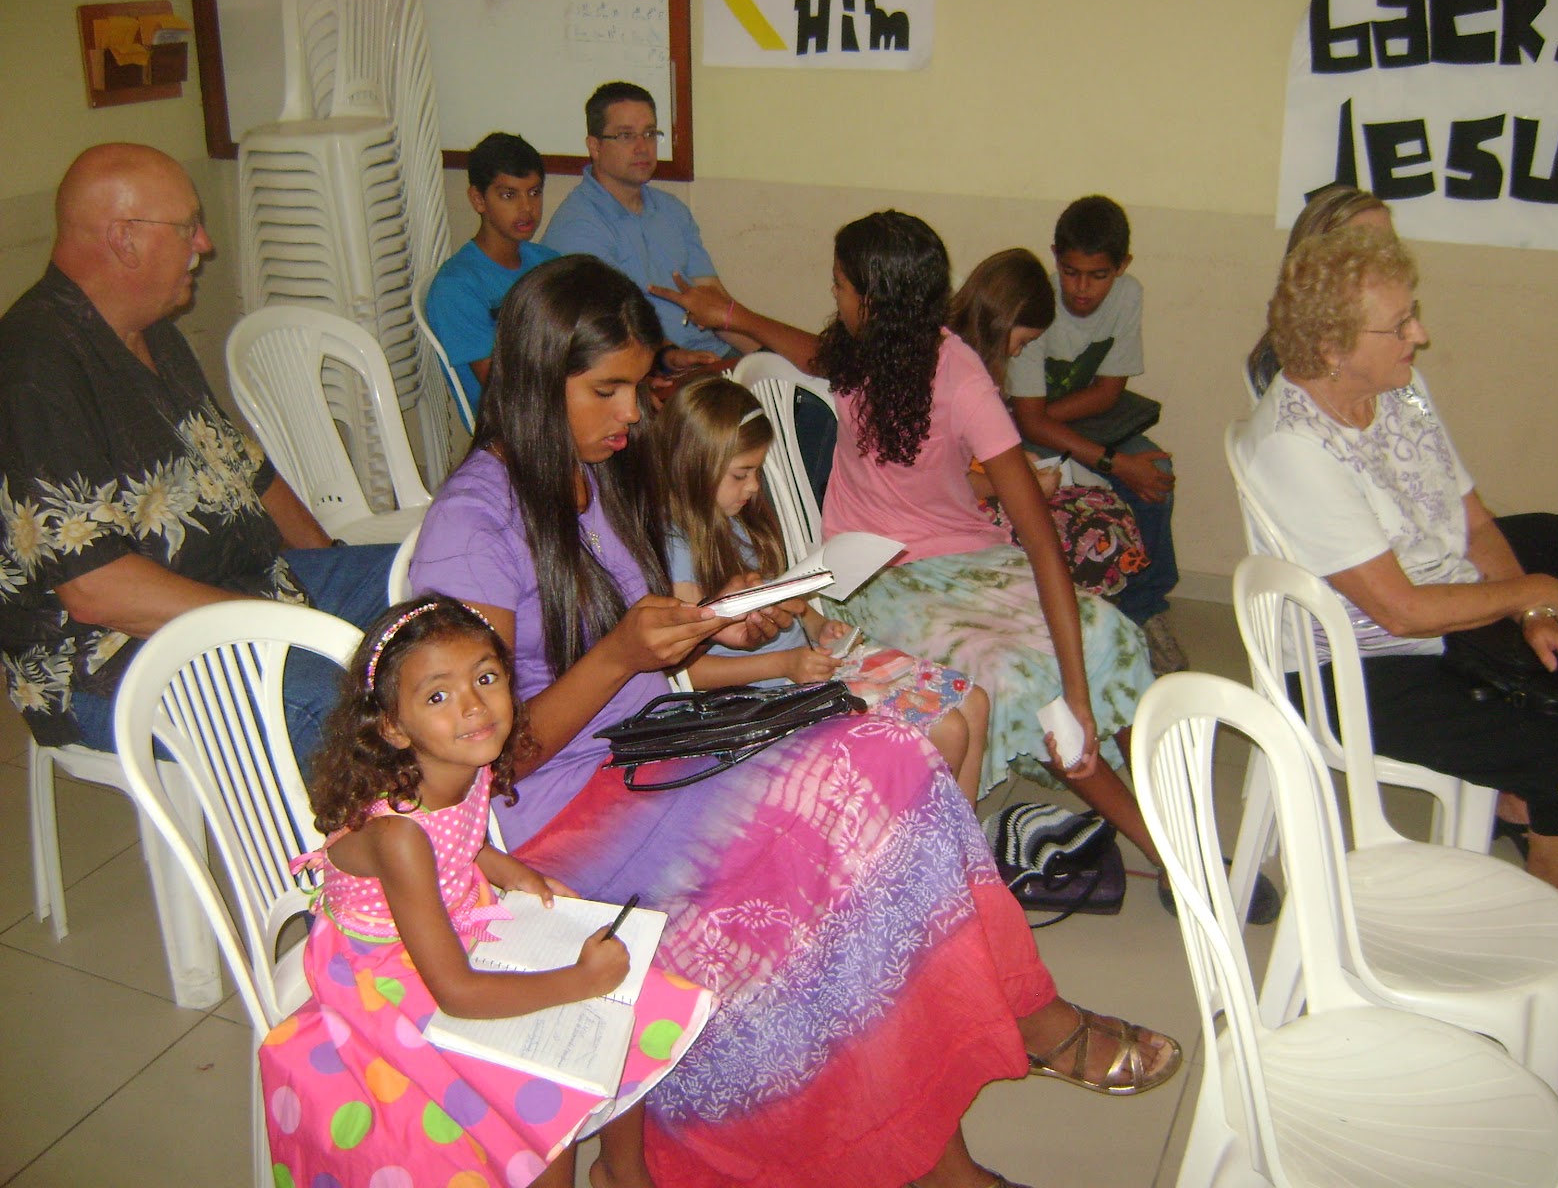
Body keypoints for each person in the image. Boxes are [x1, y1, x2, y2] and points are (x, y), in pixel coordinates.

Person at [407, 254, 1181, 1188]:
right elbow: (481, 758)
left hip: (654, 749)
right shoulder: (471, 527)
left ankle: (998, 1045)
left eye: (638, 387)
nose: (632, 414)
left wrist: (716, 622)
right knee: (839, 862)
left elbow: (639, 635)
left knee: (893, 762)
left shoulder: (589, 474)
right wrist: (623, 655)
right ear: (536, 379)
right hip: (562, 811)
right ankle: (951, 1138)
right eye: (606, 390)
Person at [649, 213, 1248, 917]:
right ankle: (1172, 858)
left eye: (840, 285)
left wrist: (1080, 696)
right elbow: (811, 354)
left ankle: (1177, 825)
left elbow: (1040, 540)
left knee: (1107, 636)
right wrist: (731, 314)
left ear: (874, 300)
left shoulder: (961, 377)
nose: (834, 295)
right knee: (1016, 674)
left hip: (972, 558)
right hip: (874, 576)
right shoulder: (863, 350)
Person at [258, 594, 714, 1187]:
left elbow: (458, 839)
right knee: (537, 1085)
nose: (473, 706)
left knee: (626, 1007)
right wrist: (580, 980)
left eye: (486, 678)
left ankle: (622, 1171)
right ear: (392, 727)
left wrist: (504, 868)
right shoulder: (398, 837)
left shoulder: (465, 759)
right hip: (389, 972)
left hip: (455, 914)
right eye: (438, 696)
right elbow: (457, 993)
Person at [1235, 227, 1558, 937]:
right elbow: (1400, 612)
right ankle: (1530, 945)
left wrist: (1533, 614)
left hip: (1435, 604)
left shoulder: (1402, 391)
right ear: (1333, 347)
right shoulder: (1293, 447)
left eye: (1413, 316)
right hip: (1359, 667)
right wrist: (1530, 594)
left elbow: (1472, 517)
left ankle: (1530, 813)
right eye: (1399, 325)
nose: (1420, 336)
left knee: (1554, 541)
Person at [0, 143, 393, 761]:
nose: (204, 245)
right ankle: (398, 822)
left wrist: (329, 575)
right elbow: (97, 591)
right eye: (188, 226)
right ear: (125, 239)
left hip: (245, 589)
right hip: (110, 658)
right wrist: (296, 628)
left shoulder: (153, 333)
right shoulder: (34, 366)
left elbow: (249, 473)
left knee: (443, 578)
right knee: (340, 709)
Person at [654, 371, 992, 800]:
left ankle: (966, 840)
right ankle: (925, 836)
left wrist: (814, 623)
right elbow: (687, 671)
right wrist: (783, 665)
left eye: (756, 471)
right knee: (948, 729)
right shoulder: (676, 552)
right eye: (741, 474)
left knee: (974, 702)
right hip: (769, 695)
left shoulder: (733, 518)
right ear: (693, 464)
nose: (754, 486)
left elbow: (779, 594)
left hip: (806, 664)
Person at [1004, 196, 1185, 672]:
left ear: (1122, 266)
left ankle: (1145, 606)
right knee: (1103, 481)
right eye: (1070, 272)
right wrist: (1111, 460)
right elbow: (1026, 425)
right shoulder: (1036, 304)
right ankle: (1105, 608)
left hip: (1072, 419)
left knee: (1157, 474)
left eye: (1098, 275)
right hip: (1028, 433)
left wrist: (1043, 417)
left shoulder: (1128, 294)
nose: (1082, 288)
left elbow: (1108, 392)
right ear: (1055, 259)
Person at [949, 248, 1149, 602]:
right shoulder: (953, 376)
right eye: (1021, 342)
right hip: (963, 506)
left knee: (1106, 508)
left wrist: (1020, 463)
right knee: (1087, 534)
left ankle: (1087, 613)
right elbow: (946, 480)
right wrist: (1020, 484)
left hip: (989, 483)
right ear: (1000, 323)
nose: (1016, 353)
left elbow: (986, 448)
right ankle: (1065, 614)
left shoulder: (974, 365)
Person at [543, 81, 733, 376]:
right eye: (626, 135)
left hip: (715, 357)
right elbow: (609, 336)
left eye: (649, 133)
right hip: (651, 373)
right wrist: (670, 358)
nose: (643, 147)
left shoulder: (671, 210)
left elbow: (719, 304)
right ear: (595, 146)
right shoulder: (578, 227)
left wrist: (764, 351)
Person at [425, 131, 561, 424]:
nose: (527, 208)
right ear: (478, 199)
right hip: (514, 425)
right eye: (509, 195)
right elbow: (504, 391)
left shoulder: (549, 262)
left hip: (564, 402)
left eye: (534, 192)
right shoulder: (456, 287)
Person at [1243, 184, 1392, 398]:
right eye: (1368, 248)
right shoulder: (1282, 364)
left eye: (1390, 246)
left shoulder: (1394, 341)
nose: (1388, 260)